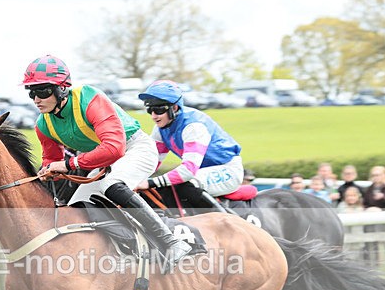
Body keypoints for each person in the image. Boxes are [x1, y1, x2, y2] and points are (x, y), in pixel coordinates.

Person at [22, 55, 190, 270]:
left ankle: (171, 241)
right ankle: (128, 249)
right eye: (31, 92)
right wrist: (48, 171)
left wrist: (69, 164)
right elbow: (52, 160)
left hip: (134, 148)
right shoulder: (42, 124)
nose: (36, 99)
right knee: (77, 209)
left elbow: (114, 147)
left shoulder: (89, 98)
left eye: (43, 91)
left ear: (62, 88)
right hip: (102, 162)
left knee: (112, 185)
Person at [135, 79, 247, 209]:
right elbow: (151, 162)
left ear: (174, 108)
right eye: (150, 110)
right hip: (201, 171)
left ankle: (224, 220)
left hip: (227, 170)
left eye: (159, 110)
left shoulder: (194, 126)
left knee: (186, 185)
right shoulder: (160, 128)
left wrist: (150, 182)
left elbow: (188, 171)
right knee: (162, 188)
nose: (154, 116)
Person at [362, 165, 385, 266]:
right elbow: (365, 203)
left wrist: (383, 197)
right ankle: (375, 262)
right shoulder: (369, 189)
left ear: (384, 175)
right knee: (372, 241)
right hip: (371, 218)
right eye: (374, 175)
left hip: (384, 218)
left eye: (378, 175)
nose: (376, 177)